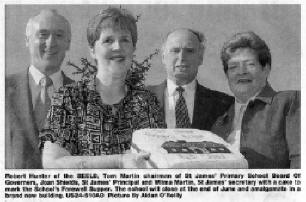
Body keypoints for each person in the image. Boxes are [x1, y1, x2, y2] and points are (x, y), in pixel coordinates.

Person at [39, 7, 165, 169]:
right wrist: (119, 161)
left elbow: (160, 161)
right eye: (108, 40)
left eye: (125, 40)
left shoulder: (148, 103)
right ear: (92, 50)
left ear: (133, 49)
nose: (117, 47)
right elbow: (52, 162)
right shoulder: (67, 98)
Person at [211, 31, 300, 168]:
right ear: (227, 75)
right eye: (233, 67)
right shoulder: (220, 122)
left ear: (266, 69)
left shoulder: (289, 102)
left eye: (250, 64)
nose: (241, 72)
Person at [5, 9, 74, 169]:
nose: (51, 43)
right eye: (43, 34)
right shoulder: (4, 89)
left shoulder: (83, 96)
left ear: (68, 43)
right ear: (27, 40)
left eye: (59, 35)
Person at [148, 28, 233, 129]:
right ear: (163, 57)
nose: (182, 57)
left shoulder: (224, 104)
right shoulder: (140, 99)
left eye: (189, 51)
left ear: (200, 58)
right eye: (175, 50)